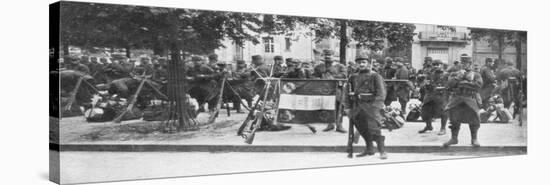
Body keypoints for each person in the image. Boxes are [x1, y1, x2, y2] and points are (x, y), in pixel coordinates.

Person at [345, 54, 388, 159]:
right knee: (362, 129)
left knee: (374, 129)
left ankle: (382, 151)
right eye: (359, 62)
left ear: (368, 63)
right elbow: (347, 92)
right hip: (357, 107)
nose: (361, 64)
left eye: (363, 62)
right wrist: (347, 107)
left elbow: (381, 93)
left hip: (371, 106)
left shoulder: (375, 76)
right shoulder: (353, 76)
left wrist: (376, 107)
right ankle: (369, 149)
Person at [443, 54, 483, 148]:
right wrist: (458, 78)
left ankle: (474, 139)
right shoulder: (454, 74)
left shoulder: (476, 74)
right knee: (454, 119)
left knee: (474, 119)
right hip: (457, 99)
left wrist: (465, 83)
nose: (465, 65)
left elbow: (478, 86)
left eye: (467, 63)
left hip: (470, 98)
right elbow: (449, 85)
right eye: (463, 63)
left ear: (470, 64)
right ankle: (454, 138)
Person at [312, 50, 347, 133]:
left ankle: (339, 125)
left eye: (330, 55)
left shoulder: (340, 66)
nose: (327, 57)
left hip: (337, 89)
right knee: (327, 107)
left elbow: (344, 75)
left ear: (334, 56)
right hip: (323, 90)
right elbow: (313, 76)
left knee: (339, 107)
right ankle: (330, 124)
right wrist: (319, 79)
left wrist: (332, 76)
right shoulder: (319, 67)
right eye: (326, 55)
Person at [418, 60, 449, 135]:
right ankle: (428, 126)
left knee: (443, 112)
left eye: (438, 64)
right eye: (434, 64)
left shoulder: (446, 75)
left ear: (441, 65)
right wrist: (424, 84)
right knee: (425, 111)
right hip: (429, 96)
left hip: (440, 96)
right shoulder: (429, 74)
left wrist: (442, 88)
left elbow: (449, 85)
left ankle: (443, 128)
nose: (436, 66)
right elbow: (424, 84)